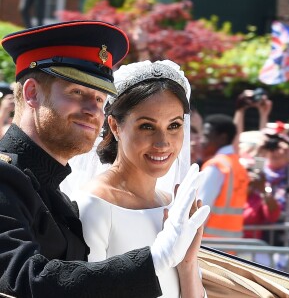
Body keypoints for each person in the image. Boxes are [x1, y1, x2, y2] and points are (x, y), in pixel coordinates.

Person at [0, 21, 210, 298]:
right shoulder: (7, 179)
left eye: (100, 99)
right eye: (77, 92)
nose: (92, 110)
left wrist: (185, 263)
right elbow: (24, 281)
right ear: (31, 93)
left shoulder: (52, 192)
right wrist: (156, 259)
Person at [69, 60, 209, 298]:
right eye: (147, 126)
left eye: (174, 125)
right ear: (115, 126)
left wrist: (187, 262)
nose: (163, 142)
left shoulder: (171, 206)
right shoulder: (94, 205)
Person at [197, 114, 249, 238]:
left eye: (206, 136)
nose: (202, 141)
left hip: (207, 246)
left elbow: (201, 209)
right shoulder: (238, 166)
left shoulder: (216, 166)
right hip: (229, 247)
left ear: (222, 138)